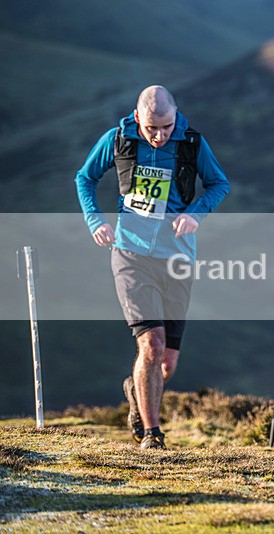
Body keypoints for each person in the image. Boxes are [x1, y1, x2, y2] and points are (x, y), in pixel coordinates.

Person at [75, 85, 230, 449]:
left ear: (175, 117)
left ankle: (136, 390)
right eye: (151, 129)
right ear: (138, 118)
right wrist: (95, 220)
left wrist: (195, 215)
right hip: (131, 255)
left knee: (167, 362)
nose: (159, 136)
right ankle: (152, 434)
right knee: (151, 344)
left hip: (177, 258)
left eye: (166, 127)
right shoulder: (118, 140)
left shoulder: (191, 142)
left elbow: (218, 183)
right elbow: (85, 177)